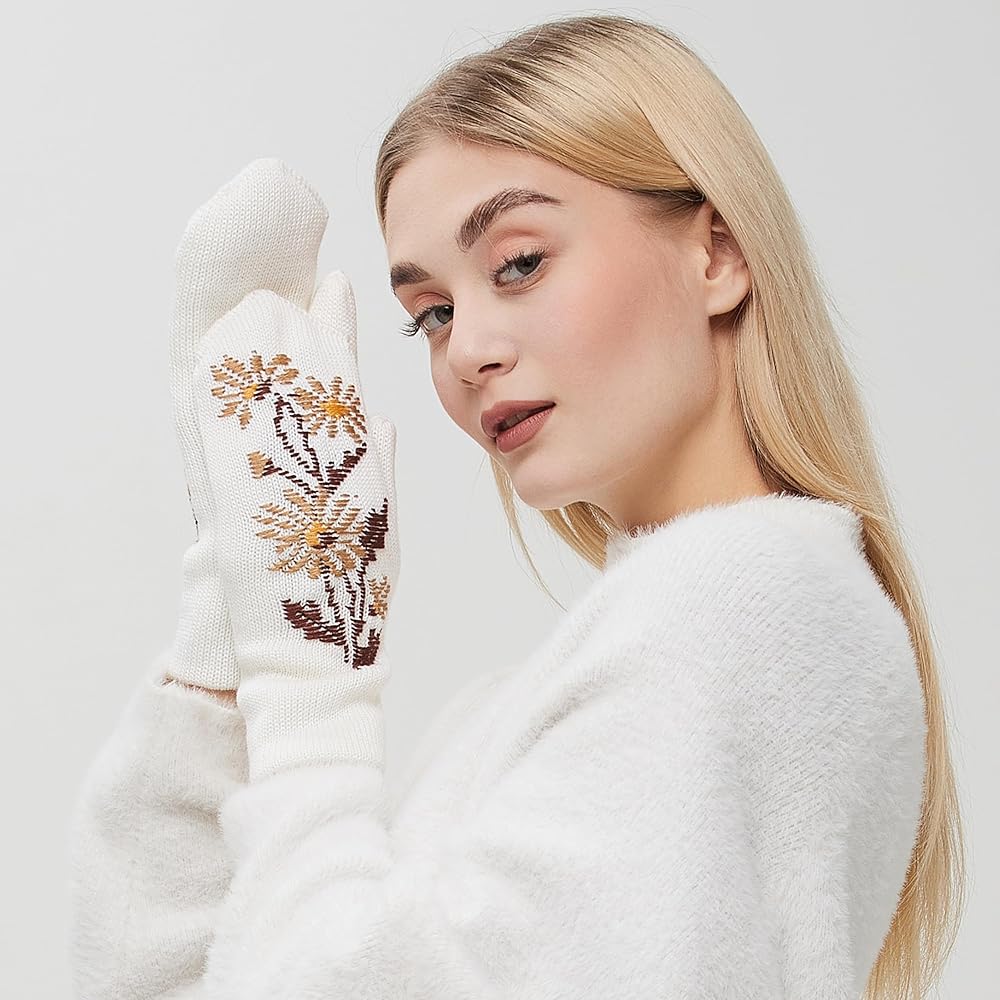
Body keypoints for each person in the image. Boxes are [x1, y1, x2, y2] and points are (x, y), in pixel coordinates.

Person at [67, 12, 966, 1000]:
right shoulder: (599, 672)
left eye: (519, 263)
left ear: (716, 254)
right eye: (432, 312)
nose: (465, 351)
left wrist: (313, 673)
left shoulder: (745, 602)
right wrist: (234, 601)